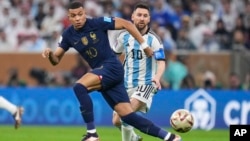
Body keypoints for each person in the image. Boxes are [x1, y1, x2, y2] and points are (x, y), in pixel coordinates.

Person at [42, 1, 181, 141]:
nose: (78, 18)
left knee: (79, 87)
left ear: (85, 13)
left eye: (80, 14)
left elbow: (127, 24)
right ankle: (170, 137)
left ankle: (92, 134)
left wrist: (144, 45)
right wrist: (50, 55)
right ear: (69, 17)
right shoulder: (68, 35)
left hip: (111, 67)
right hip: (110, 74)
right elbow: (56, 60)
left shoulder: (97, 23)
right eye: (73, 16)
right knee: (127, 117)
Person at [111, 3, 166, 141]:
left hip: (145, 85)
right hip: (125, 84)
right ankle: (134, 138)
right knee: (116, 121)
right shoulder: (124, 36)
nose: (142, 18)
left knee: (126, 116)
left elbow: (161, 62)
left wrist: (157, 77)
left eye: (145, 16)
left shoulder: (154, 40)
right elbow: (114, 56)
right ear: (132, 17)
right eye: (139, 15)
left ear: (149, 19)